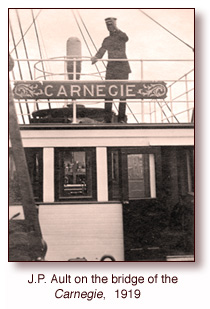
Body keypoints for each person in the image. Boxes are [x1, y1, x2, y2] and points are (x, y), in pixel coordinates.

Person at [91, 17, 131, 123]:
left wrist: (116, 28)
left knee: (123, 95)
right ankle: (107, 118)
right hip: (111, 68)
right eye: (108, 26)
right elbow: (102, 50)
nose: (110, 27)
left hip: (122, 68)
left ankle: (122, 118)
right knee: (108, 94)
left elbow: (126, 38)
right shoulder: (107, 40)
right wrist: (96, 57)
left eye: (111, 25)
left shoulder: (121, 36)